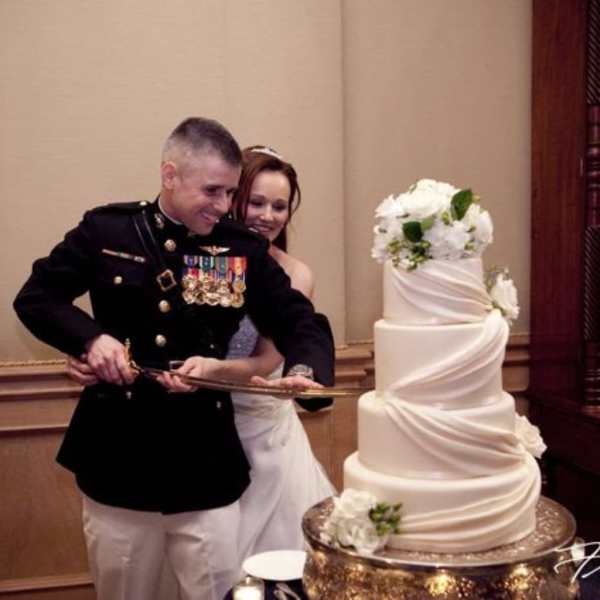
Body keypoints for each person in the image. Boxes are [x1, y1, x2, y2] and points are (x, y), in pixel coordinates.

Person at [13, 117, 335, 600]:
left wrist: (305, 369)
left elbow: (298, 319)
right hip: (119, 461)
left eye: (230, 193)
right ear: (170, 175)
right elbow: (37, 298)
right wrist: (91, 341)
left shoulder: (240, 249)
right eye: (212, 191)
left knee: (216, 591)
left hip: (205, 464)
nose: (223, 205)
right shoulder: (108, 230)